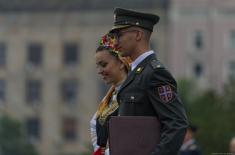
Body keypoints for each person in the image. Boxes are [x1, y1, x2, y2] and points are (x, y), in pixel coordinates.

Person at [108, 8, 189, 155]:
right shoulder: (136, 72)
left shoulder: (155, 73)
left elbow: (177, 123)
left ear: (138, 35)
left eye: (119, 35)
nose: (115, 42)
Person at [90, 33, 130, 155]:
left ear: (122, 62)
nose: (99, 71)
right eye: (98, 66)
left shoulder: (134, 94)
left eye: (104, 65)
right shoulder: (108, 99)